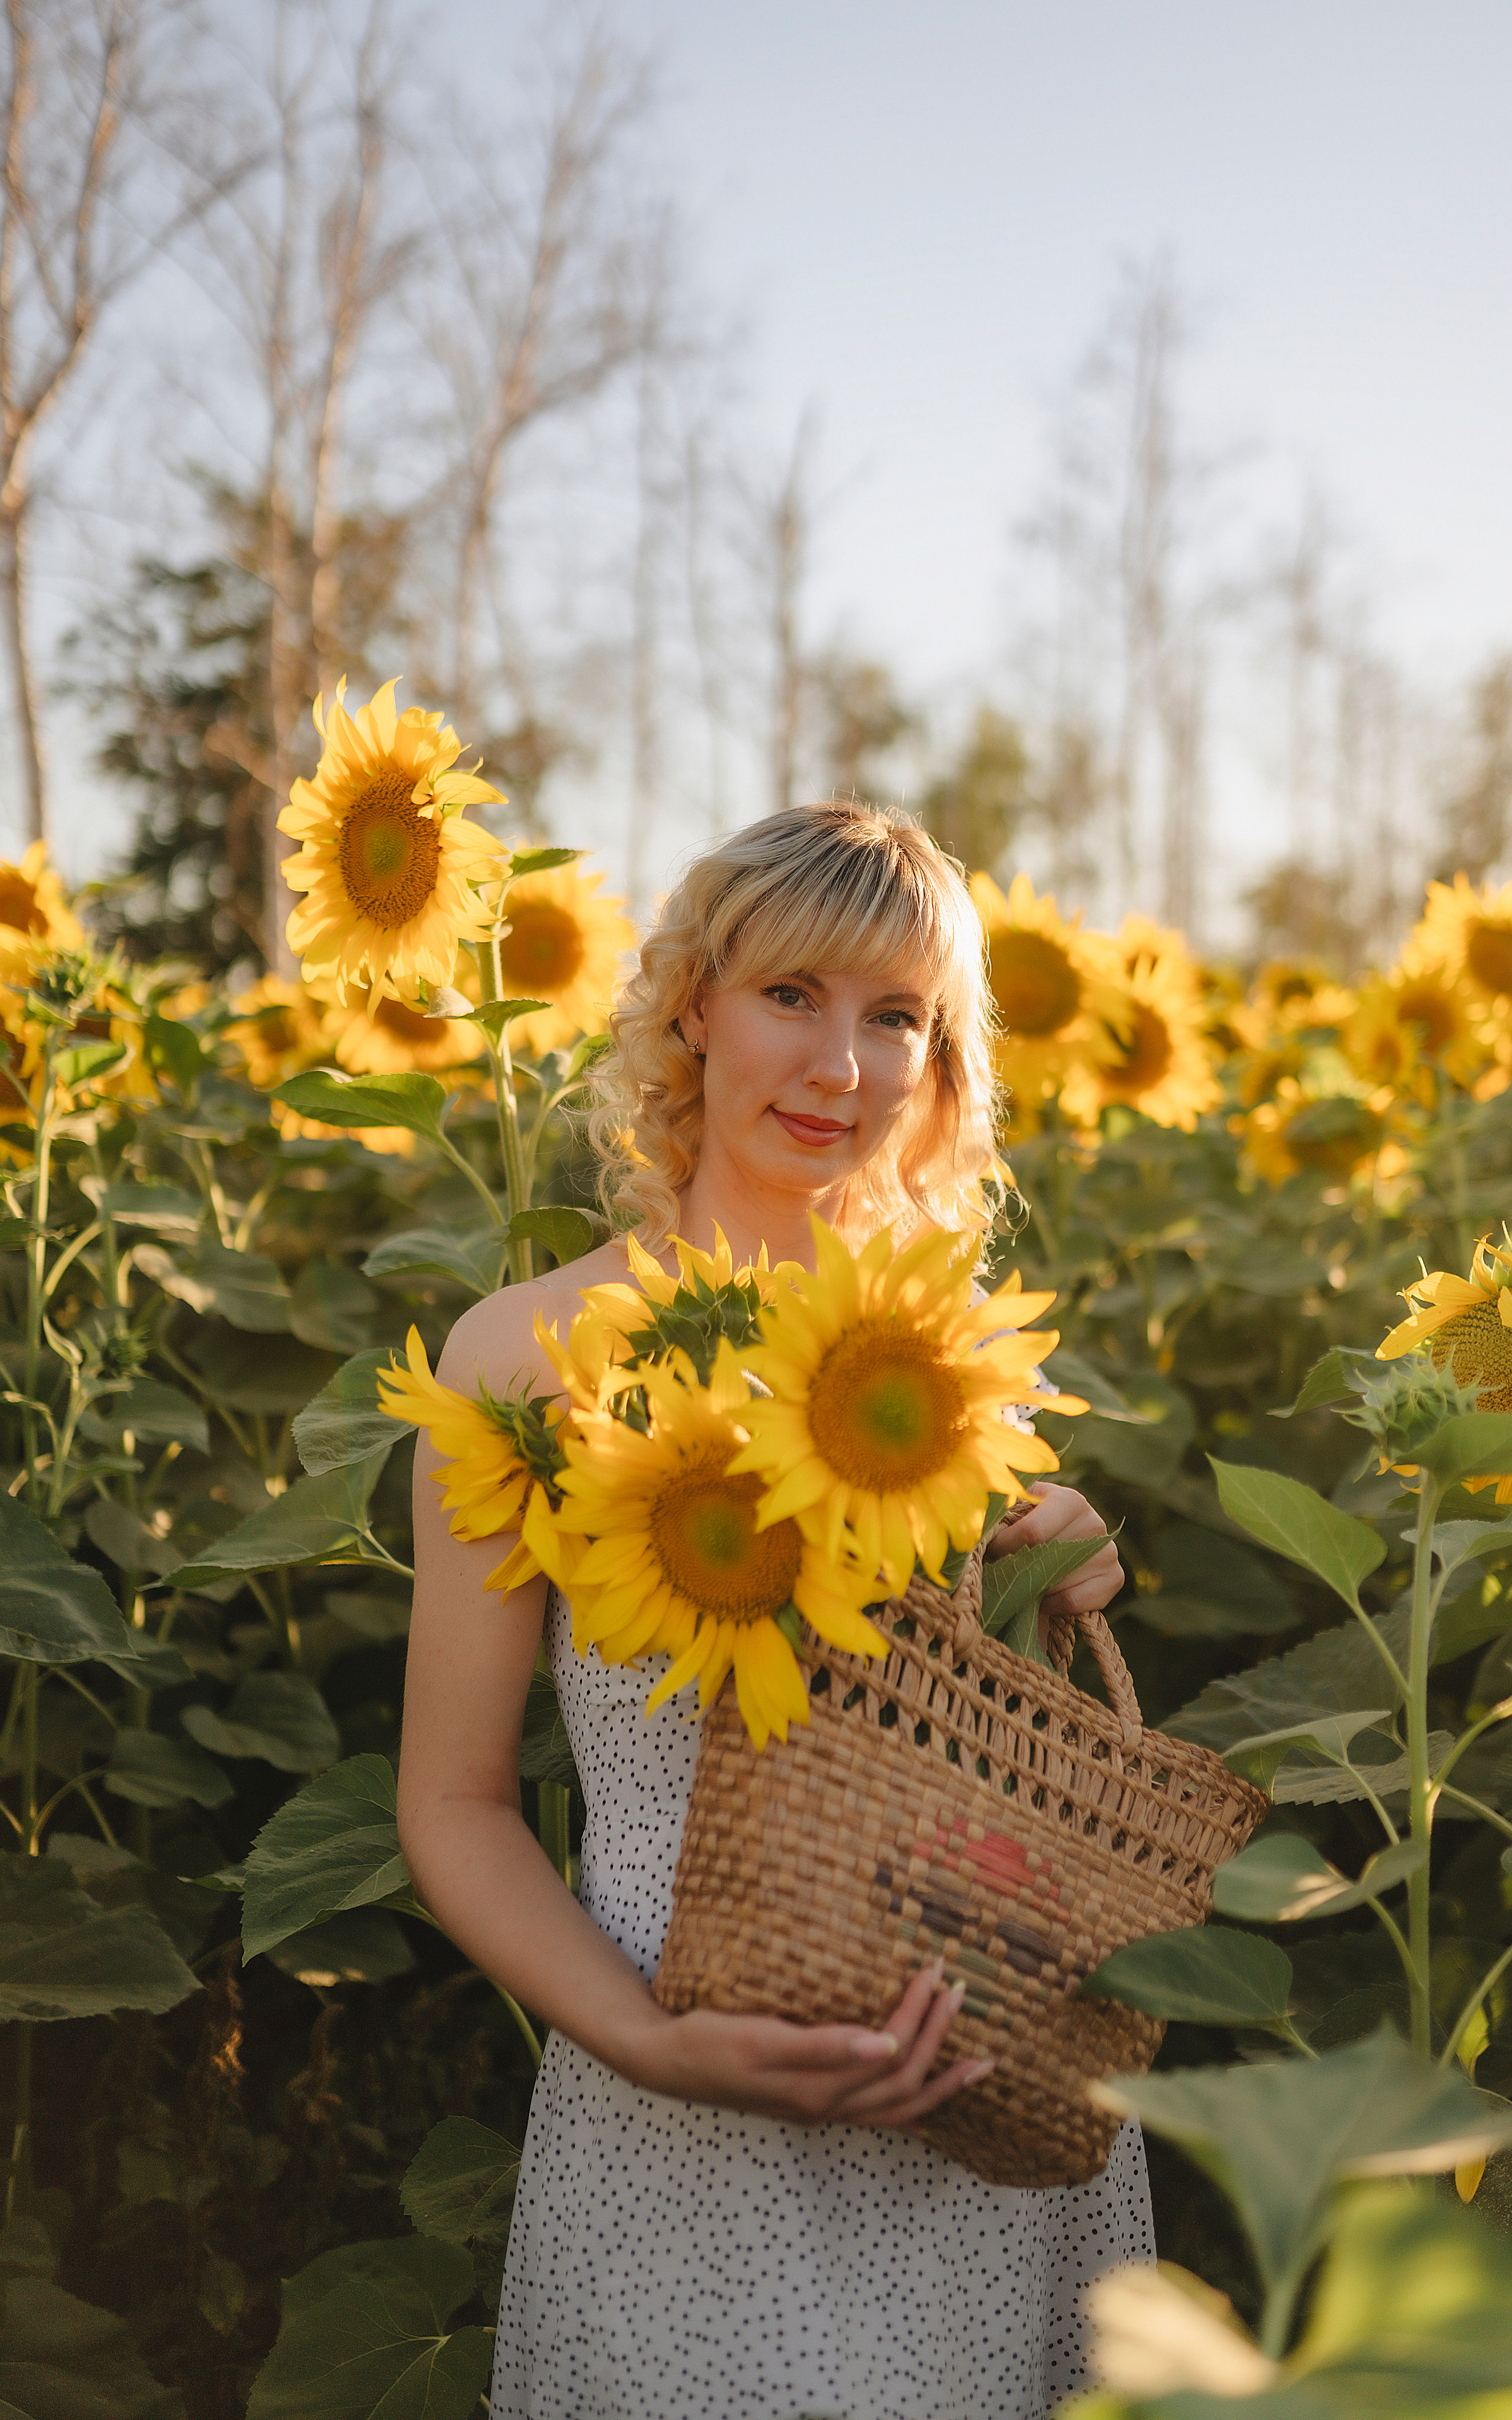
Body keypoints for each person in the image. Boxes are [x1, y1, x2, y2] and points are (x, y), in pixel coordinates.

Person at [397, 802, 1151, 2420]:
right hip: (668, 2080)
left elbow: (980, 1766)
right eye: (791, 995)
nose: (842, 1066)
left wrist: (1051, 1559)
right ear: (692, 1008)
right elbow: (452, 1799)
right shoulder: (525, 1355)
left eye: (897, 1017)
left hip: (966, 2085)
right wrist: (646, 2041)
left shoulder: (943, 1362)